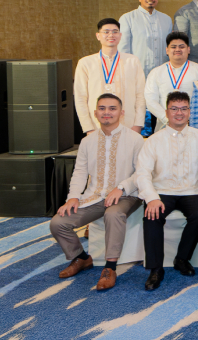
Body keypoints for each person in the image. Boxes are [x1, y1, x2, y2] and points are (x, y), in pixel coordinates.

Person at [50, 94, 144, 291]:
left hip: (127, 195)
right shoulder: (88, 141)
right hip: (95, 196)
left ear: (121, 112)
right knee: (58, 223)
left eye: (112, 108)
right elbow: (80, 171)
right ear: (95, 113)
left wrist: (121, 187)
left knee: (113, 213)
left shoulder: (135, 139)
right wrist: (73, 197)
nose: (106, 112)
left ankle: (110, 267)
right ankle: (81, 258)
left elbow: (141, 172)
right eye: (102, 108)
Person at [136, 91, 198, 291]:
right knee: (152, 216)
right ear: (166, 112)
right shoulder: (153, 140)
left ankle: (182, 258)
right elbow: (142, 173)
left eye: (183, 108)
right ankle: (156, 269)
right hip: (162, 191)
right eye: (174, 109)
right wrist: (151, 198)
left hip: (193, 190)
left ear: (189, 111)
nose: (179, 113)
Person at [76, 19, 147, 135]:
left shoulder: (132, 61)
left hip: (128, 126)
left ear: (120, 35)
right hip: (96, 127)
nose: (111, 35)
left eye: (115, 31)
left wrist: (138, 125)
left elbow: (141, 95)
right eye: (106, 32)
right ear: (98, 36)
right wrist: (88, 128)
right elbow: (80, 98)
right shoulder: (85, 63)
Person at [145, 32, 198, 133]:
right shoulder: (156, 72)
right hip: (164, 126)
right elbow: (150, 100)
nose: (177, 49)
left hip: (193, 126)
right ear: (167, 50)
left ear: (188, 49)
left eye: (181, 47)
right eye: (173, 47)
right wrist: (167, 118)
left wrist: (189, 119)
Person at [118, 0, 173, 80]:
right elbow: (123, 49)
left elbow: (170, 46)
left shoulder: (166, 19)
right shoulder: (127, 18)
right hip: (137, 73)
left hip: (163, 73)